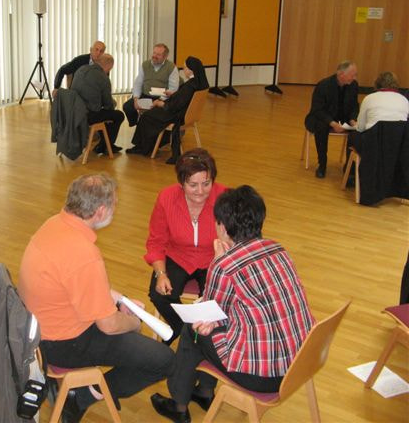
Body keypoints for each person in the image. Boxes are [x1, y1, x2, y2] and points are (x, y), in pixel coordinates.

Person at [18, 174, 175, 422]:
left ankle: (74, 390)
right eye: (114, 204)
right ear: (100, 211)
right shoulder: (83, 253)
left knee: (132, 339)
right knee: (165, 360)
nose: (115, 208)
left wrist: (120, 300)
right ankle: (80, 397)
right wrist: (135, 323)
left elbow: (77, 283)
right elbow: (109, 325)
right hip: (63, 344)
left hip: (38, 334)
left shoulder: (53, 224)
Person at [151, 185, 314, 423]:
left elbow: (206, 311)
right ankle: (204, 392)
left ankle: (178, 405)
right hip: (300, 362)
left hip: (262, 376)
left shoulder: (225, 265)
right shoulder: (278, 249)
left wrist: (218, 261)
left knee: (192, 331)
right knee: (214, 327)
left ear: (223, 227)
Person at [145, 148, 226, 345]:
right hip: (177, 255)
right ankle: (185, 331)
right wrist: (161, 274)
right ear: (181, 183)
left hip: (214, 257)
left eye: (206, 183)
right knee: (159, 294)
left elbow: (237, 238)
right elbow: (156, 241)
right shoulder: (166, 198)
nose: (200, 191)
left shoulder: (224, 197)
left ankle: (192, 336)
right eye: (193, 185)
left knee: (215, 302)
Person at [127, 57, 209, 162]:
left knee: (146, 116)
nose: (183, 70)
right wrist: (174, 94)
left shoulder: (190, 85)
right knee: (151, 114)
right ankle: (154, 143)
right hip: (188, 115)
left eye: (185, 68)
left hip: (177, 115)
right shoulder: (200, 83)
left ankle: (143, 147)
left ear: (191, 70)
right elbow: (183, 98)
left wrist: (160, 103)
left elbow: (175, 106)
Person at [304, 60, 359, 178]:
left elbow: (355, 106)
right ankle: (322, 164)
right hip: (323, 118)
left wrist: (353, 119)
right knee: (321, 126)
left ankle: (349, 168)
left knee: (357, 131)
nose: (354, 78)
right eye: (352, 75)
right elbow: (317, 110)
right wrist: (332, 123)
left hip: (343, 118)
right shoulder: (323, 85)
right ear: (341, 74)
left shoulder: (354, 85)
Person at [70, 54, 125, 154]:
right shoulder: (103, 78)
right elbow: (108, 105)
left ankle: (104, 144)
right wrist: (113, 103)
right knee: (118, 115)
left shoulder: (81, 69)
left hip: (72, 111)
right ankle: (106, 146)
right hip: (86, 115)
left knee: (104, 114)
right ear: (109, 66)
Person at [122, 43, 180, 127]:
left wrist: (160, 100)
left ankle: (150, 127)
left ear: (165, 56)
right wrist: (136, 98)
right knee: (127, 107)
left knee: (154, 113)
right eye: (154, 53)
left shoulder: (171, 67)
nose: (154, 56)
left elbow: (173, 89)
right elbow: (138, 83)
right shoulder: (145, 65)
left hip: (162, 98)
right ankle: (137, 124)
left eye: (158, 54)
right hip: (145, 95)